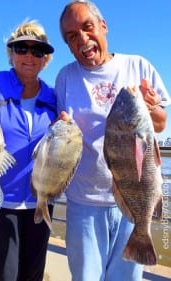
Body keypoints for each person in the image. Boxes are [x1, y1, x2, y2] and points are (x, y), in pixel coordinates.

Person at [55, 1, 171, 281]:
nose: (82, 38)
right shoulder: (66, 76)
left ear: (103, 26)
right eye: (72, 36)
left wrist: (152, 107)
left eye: (87, 27)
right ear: (69, 46)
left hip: (134, 206)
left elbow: (160, 122)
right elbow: (63, 133)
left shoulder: (138, 65)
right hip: (84, 200)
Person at [0, 21, 56, 281]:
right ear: (11, 54)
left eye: (38, 51)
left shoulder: (54, 96)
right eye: (21, 48)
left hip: (41, 204)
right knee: (3, 275)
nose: (29, 56)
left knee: (33, 275)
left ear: (46, 59)